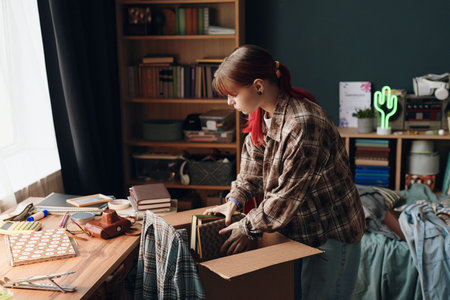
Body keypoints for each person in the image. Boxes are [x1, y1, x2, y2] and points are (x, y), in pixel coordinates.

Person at [203, 44, 366, 299]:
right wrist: (234, 201)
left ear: (258, 86)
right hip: (302, 231)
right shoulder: (263, 114)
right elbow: (251, 168)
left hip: (332, 234)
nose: (229, 102)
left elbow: (285, 197)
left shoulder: (302, 124)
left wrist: (247, 227)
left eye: (233, 94)